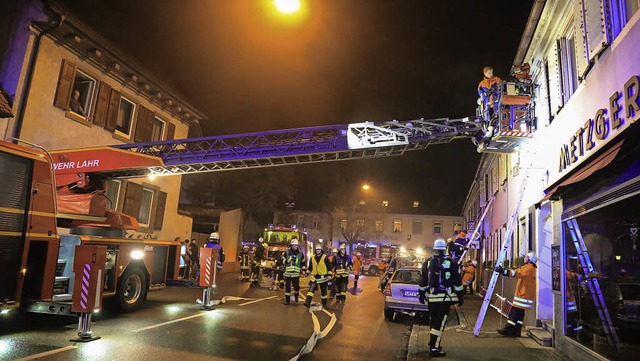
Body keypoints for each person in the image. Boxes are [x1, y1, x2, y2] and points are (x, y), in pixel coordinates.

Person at [418, 238, 464, 357]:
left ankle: (432, 343)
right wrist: (460, 296)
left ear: (434, 249)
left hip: (432, 298)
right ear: (445, 250)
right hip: (444, 300)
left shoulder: (428, 262)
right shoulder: (452, 263)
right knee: (440, 324)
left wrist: (422, 294)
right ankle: (435, 348)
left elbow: (423, 280)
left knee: (433, 322)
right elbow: (457, 282)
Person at [495, 251, 537, 337]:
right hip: (525, 296)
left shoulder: (528, 268)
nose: (524, 258)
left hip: (522, 296)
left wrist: (504, 271)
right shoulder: (531, 269)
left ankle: (507, 330)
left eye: (526, 257)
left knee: (514, 313)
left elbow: (517, 273)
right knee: (520, 315)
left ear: (530, 260)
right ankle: (516, 332)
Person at [477, 66, 503, 138]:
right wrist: (484, 95)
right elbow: (480, 93)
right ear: (485, 73)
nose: (491, 74)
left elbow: (501, 87)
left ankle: (497, 129)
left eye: (491, 73)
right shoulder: (481, 83)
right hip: (487, 104)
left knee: (497, 116)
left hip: (496, 102)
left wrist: (495, 88)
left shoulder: (496, 79)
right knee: (488, 118)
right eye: (489, 73)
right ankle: (490, 131)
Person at [284, 238, 304, 304]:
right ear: (291, 246)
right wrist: (286, 261)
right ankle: (287, 300)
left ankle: (296, 297)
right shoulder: (287, 252)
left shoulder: (300, 253)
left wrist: (303, 270)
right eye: (294, 245)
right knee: (287, 287)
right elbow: (282, 260)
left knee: (296, 286)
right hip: (288, 273)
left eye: (296, 245)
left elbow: (303, 262)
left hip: (296, 273)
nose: (295, 246)